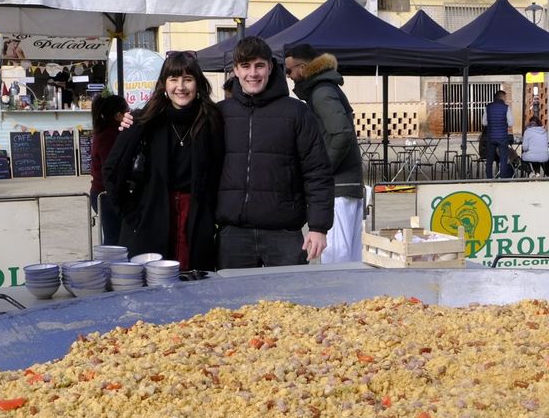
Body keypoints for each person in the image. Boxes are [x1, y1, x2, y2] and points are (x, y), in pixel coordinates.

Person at [216, 36, 332, 268]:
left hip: (284, 235)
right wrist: (132, 120)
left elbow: (317, 172)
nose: (253, 73)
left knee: (289, 303)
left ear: (270, 67)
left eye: (259, 65)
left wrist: (318, 227)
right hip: (234, 236)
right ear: (235, 71)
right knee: (233, 304)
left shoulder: (297, 113)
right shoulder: (220, 114)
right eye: (245, 66)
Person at [104, 54, 224, 270]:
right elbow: (113, 169)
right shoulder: (144, 119)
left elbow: (219, 171)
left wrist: (212, 214)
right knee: (152, 287)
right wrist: (129, 211)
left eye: (188, 79)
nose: (181, 87)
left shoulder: (211, 120)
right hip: (151, 214)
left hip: (194, 220)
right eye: (173, 79)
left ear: (198, 82)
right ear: (164, 84)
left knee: (194, 283)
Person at [284, 44, 364, 263]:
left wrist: (322, 172)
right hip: (346, 186)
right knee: (349, 260)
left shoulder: (321, 92)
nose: (288, 76)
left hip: (338, 188)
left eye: (289, 70)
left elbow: (342, 133)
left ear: (302, 68)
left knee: (336, 260)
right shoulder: (326, 88)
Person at [88, 94, 129, 247]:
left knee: (118, 237)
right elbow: (111, 170)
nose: (130, 114)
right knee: (113, 240)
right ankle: (110, 269)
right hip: (105, 195)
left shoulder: (114, 132)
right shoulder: (108, 136)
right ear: (118, 115)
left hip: (107, 193)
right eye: (127, 111)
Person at [485, 88, 514, 179]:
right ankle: (502, 178)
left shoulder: (488, 107)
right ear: (502, 97)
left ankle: (489, 178)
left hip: (491, 136)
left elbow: (484, 122)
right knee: (503, 158)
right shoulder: (506, 107)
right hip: (502, 137)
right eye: (505, 97)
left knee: (489, 158)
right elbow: (510, 123)